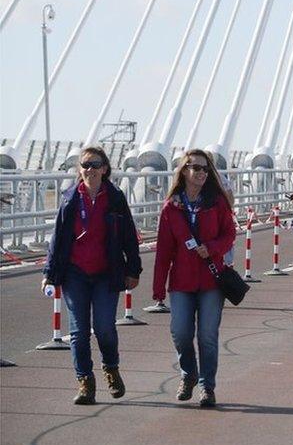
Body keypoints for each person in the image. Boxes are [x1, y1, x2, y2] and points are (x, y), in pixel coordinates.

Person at [41, 146, 141, 405]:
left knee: (105, 327)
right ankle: (85, 381)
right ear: (79, 169)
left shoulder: (115, 198)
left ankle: (111, 368)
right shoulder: (70, 198)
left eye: (95, 165)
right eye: (85, 165)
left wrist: (133, 269)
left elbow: (129, 236)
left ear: (105, 169)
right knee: (79, 331)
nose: (90, 169)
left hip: (106, 272)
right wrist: (49, 273)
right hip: (75, 273)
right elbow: (58, 237)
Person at [153, 149, 236, 408]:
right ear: (184, 171)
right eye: (195, 168)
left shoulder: (217, 202)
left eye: (205, 169)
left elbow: (229, 234)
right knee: (180, 332)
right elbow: (164, 250)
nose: (201, 173)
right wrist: (158, 288)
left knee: (207, 336)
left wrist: (211, 247)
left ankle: (206, 386)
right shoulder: (171, 208)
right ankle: (188, 373)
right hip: (182, 281)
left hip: (212, 281)